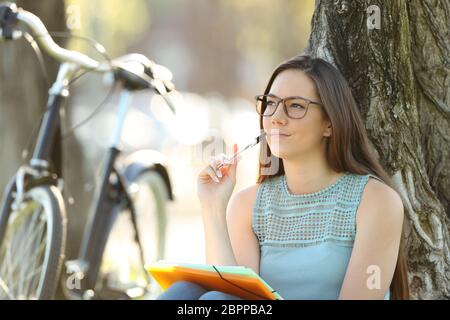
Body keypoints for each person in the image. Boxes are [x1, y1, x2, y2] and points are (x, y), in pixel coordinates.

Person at [156, 55, 409, 300]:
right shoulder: (248, 205)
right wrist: (212, 206)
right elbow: (232, 295)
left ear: (329, 123)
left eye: (295, 105)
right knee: (184, 293)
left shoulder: (376, 202)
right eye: (271, 103)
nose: (276, 117)